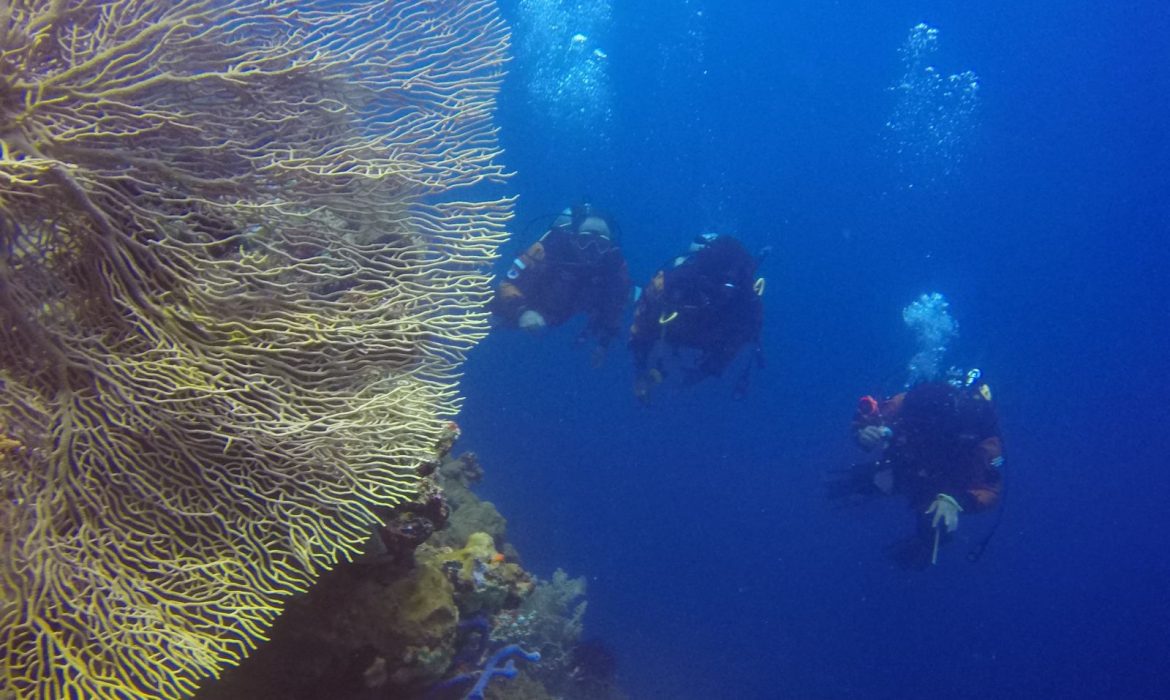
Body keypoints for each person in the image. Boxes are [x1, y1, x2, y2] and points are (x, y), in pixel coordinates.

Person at [835, 370, 1005, 568]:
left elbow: (990, 491)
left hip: (943, 490)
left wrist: (957, 501)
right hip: (904, 469)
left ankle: (911, 560)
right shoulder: (909, 401)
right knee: (853, 482)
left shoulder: (980, 436)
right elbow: (868, 418)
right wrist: (863, 433)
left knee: (937, 530)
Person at [628, 233, 765, 403]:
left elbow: (740, 336)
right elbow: (642, 325)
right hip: (678, 327)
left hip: (703, 335)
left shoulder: (744, 303)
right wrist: (641, 370)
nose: (722, 293)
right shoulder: (669, 286)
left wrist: (704, 372)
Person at [490, 203, 631, 361]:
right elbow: (507, 284)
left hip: (557, 316)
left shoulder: (614, 266)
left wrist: (603, 344)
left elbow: (616, 305)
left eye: (602, 244)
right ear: (573, 238)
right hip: (521, 306)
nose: (592, 250)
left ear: (610, 247)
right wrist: (523, 311)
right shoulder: (547, 249)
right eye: (584, 240)